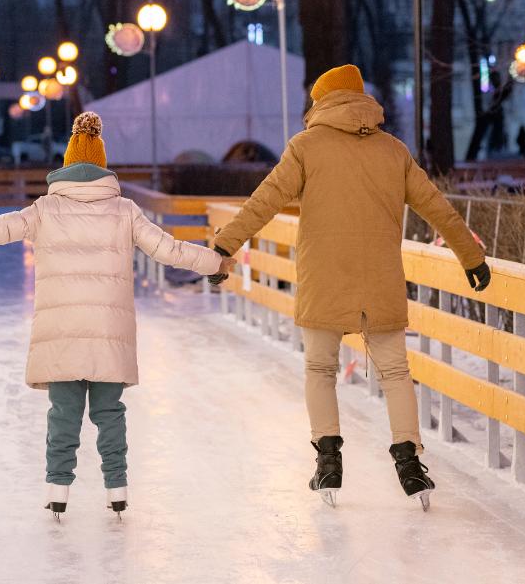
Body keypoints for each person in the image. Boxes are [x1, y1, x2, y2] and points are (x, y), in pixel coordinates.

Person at [0, 112, 235, 520]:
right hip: (108, 332)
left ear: (66, 166)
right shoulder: (124, 210)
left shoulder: (45, 209)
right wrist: (216, 263)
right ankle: (117, 488)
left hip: (62, 331)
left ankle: (57, 489)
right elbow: (170, 250)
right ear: (103, 167)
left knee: (64, 414)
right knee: (109, 413)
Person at [208, 65, 490, 509]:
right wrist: (471, 257)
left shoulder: (305, 147)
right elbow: (438, 207)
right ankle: (409, 460)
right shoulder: (393, 151)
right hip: (380, 280)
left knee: (320, 369)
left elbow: (265, 201)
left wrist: (224, 246)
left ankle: (328, 460)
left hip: (324, 279)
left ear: (322, 102)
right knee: (395, 372)